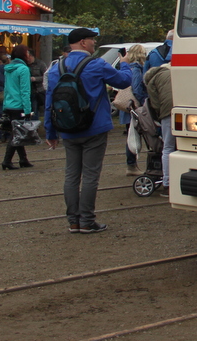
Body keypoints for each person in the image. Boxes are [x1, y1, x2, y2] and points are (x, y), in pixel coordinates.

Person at [45, 27, 132, 234]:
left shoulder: (56, 68)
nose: (94, 44)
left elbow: (50, 100)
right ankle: (87, 221)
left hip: (68, 128)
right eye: (92, 40)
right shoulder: (96, 64)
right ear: (83, 42)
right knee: (91, 175)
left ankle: (73, 221)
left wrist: (50, 132)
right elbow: (124, 81)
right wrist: (126, 64)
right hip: (94, 127)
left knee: (71, 175)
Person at [1, 44, 35, 170]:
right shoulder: (23, 69)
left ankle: (23, 159)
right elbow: (25, 91)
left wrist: (4, 106)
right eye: (27, 52)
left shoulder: (8, 69)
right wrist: (27, 110)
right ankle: (7, 160)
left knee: (17, 132)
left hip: (9, 104)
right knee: (17, 134)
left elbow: (6, 89)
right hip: (19, 105)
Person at [144, 62, 173, 197]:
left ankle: (167, 184)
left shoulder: (152, 82)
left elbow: (155, 105)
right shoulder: (172, 72)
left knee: (168, 148)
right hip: (187, 111)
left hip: (168, 113)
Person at [120, 44, 149, 175]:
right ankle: (131, 165)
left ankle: (131, 165)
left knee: (131, 135)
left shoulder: (128, 68)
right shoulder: (137, 69)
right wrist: (144, 104)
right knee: (134, 136)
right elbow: (137, 88)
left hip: (126, 106)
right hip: (135, 106)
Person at [27, 50, 48, 119]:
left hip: (39, 90)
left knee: (36, 109)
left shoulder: (40, 64)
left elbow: (46, 76)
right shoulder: (25, 64)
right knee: (33, 110)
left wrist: (35, 79)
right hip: (29, 90)